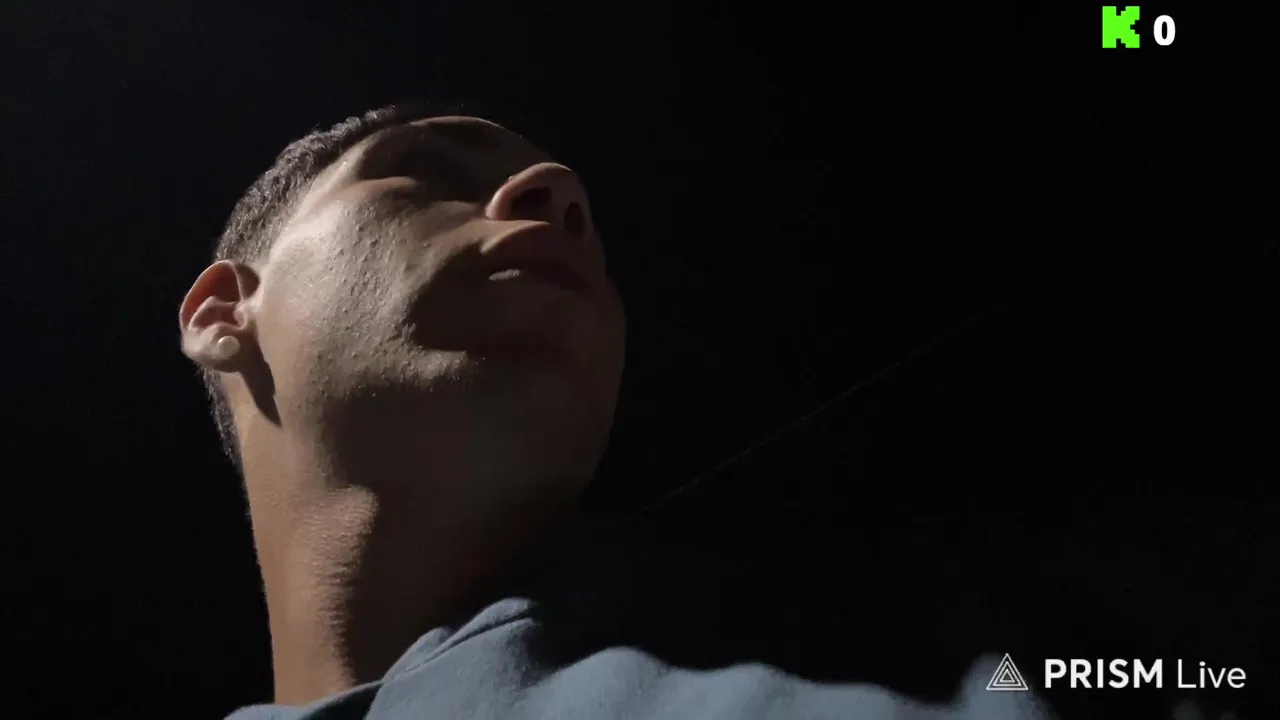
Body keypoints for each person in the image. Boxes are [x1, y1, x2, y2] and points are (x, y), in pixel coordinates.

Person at [179, 103, 1184, 719]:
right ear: (224, 313)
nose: (555, 195)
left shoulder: (913, 623)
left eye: (582, 222)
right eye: (429, 173)